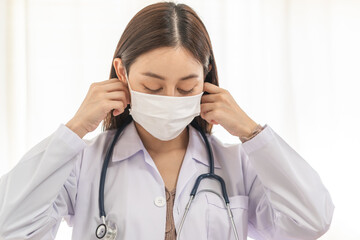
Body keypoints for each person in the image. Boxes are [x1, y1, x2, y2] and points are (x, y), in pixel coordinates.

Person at [0, 1, 334, 240]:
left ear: (205, 80)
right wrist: (74, 131)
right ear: (122, 73)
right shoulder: (82, 163)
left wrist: (252, 133)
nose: (170, 99)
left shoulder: (239, 165)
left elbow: (312, 220)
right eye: (152, 86)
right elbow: (9, 226)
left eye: (187, 87)